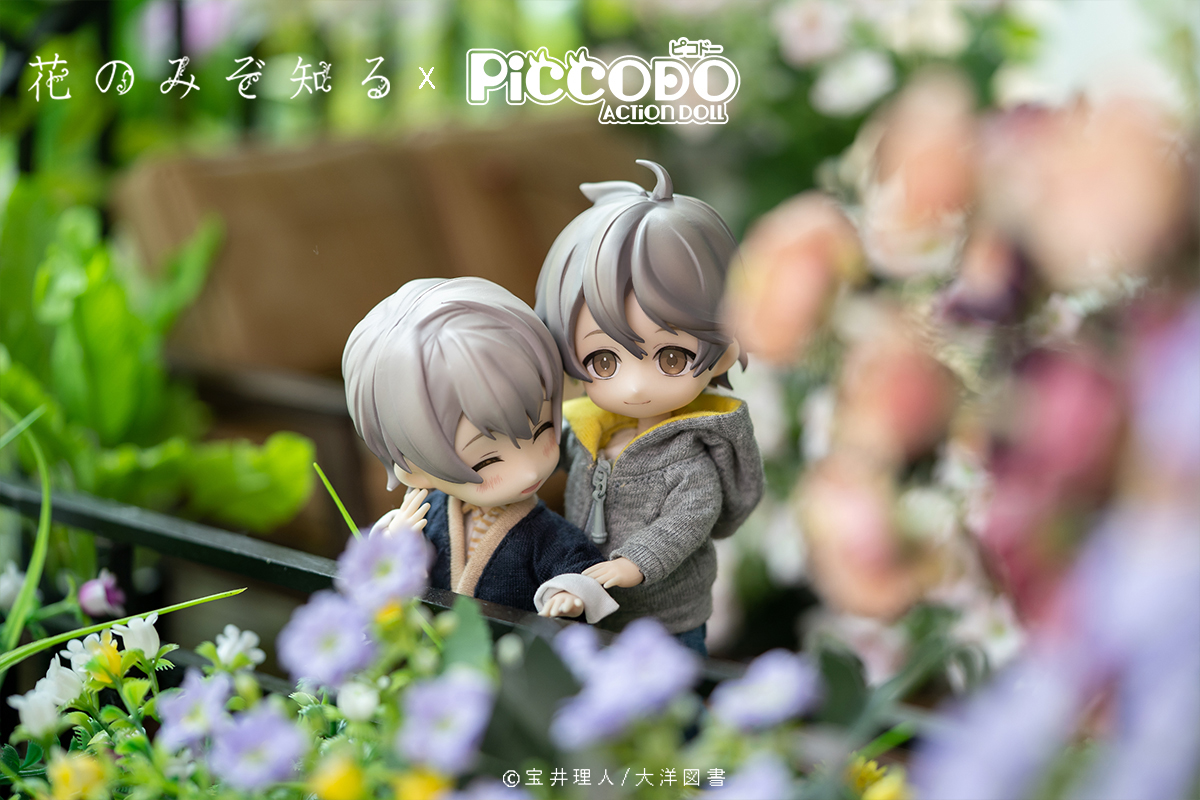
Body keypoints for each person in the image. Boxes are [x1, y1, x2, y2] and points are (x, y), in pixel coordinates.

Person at [536, 159, 765, 655]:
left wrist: (632, 564)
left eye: (671, 357)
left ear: (723, 352)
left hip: (667, 621)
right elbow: (541, 460)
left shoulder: (689, 456)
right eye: (603, 360)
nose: (636, 386)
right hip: (591, 610)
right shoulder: (589, 430)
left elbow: (687, 520)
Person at [343, 277, 617, 622]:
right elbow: (387, 575)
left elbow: (578, 566)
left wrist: (568, 592)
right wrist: (394, 540)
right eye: (487, 460)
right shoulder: (426, 515)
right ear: (415, 469)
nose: (529, 471)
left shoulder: (543, 534)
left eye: (543, 429)